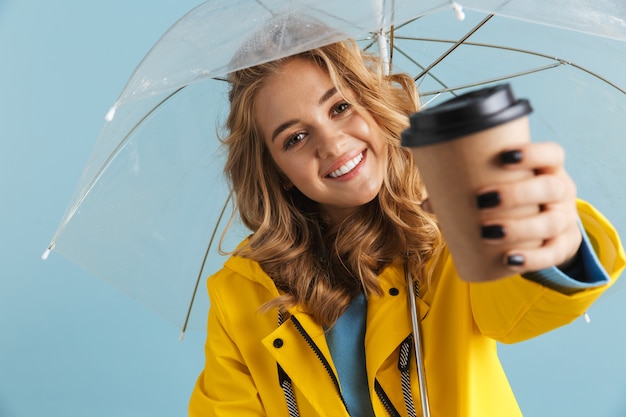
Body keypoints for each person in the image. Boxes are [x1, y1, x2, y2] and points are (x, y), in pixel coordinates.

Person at [188, 38, 625, 416]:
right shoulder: (241, 297)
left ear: (372, 106)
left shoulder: (448, 226)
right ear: (278, 169)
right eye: (295, 138)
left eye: (340, 107)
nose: (333, 144)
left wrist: (553, 239)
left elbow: (520, 303)